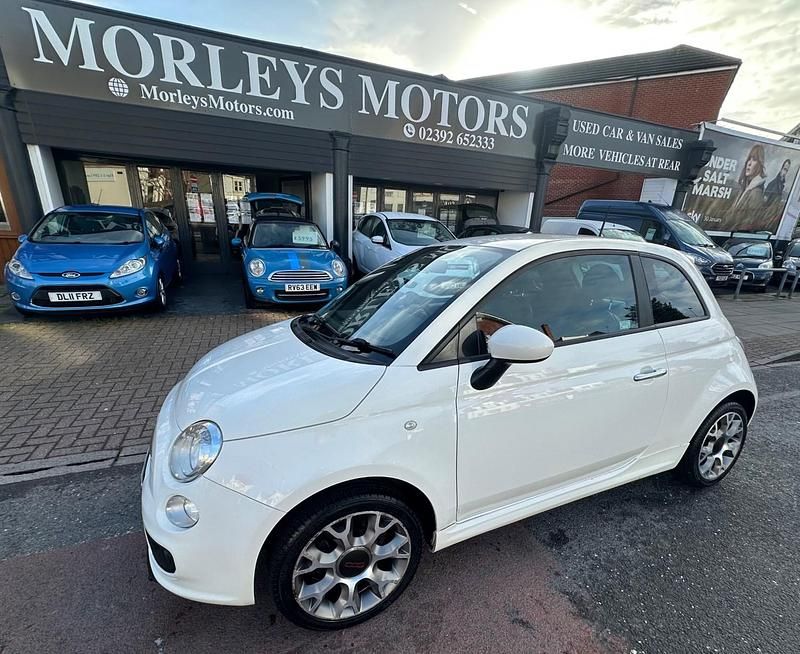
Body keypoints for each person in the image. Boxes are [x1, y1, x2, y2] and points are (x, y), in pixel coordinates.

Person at [729, 144, 767, 230]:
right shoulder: (745, 188)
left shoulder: (756, 192)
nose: (749, 163)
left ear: (759, 164)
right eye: (749, 159)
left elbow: (751, 221)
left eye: (754, 159)